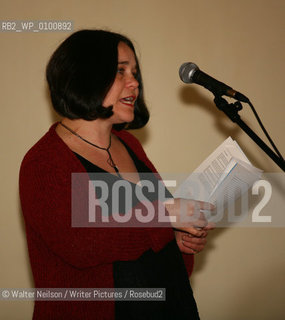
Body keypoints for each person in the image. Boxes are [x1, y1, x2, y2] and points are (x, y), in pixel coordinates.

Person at [19, 29, 214, 320]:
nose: (134, 82)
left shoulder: (131, 145)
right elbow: (82, 243)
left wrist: (178, 239)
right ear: (84, 76)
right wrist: (165, 215)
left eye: (134, 72)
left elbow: (147, 233)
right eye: (120, 71)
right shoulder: (44, 161)